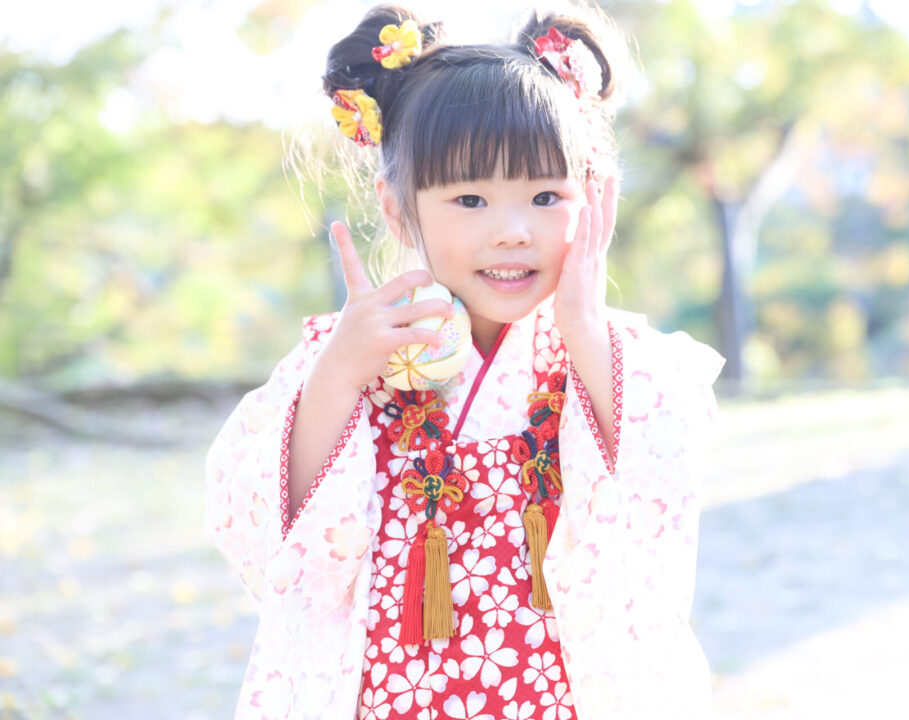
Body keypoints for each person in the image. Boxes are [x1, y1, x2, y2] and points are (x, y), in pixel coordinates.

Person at [206, 4, 724, 719]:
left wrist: (582, 324)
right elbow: (275, 541)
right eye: (470, 199)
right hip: (391, 695)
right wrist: (339, 373)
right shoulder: (350, 354)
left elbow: (654, 497)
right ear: (397, 209)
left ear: (594, 196)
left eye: (546, 196)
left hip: (558, 694)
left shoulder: (620, 359)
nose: (511, 232)